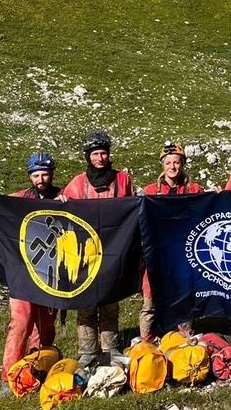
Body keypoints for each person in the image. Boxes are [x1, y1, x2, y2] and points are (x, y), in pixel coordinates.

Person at [0, 152, 61, 396]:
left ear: (51, 175)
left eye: (45, 174)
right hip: (23, 271)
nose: (41, 179)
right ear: (30, 176)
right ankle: (8, 377)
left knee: (46, 325)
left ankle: (37, 368)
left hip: (51, 271)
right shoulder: (19, 199)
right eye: (36, 175)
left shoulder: (62, 196)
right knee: (21, 320)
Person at [58, 129, 135, 366]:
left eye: (103, 153)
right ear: (88, 156)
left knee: (110, 303)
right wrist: (61, 201)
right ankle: (87, 352)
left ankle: (110, 349)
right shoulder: (78, 183)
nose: (100, 158)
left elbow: (132, 208)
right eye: (95, 154)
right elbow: (63, 212)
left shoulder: (122, 179)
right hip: (85, 254)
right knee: (86, 305)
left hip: (113, 250)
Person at [139, 141, 204, 341]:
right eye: (168, 163)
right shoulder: (149, 191)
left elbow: (206, 214)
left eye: (176, 162)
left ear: (182, 164)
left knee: (184, 295)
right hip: (156, 254)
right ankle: (147, 338)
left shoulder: (194, 189)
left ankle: (186, 335)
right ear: (162, 165)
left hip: (185, 254)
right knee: (150, 299)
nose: (173, 167)